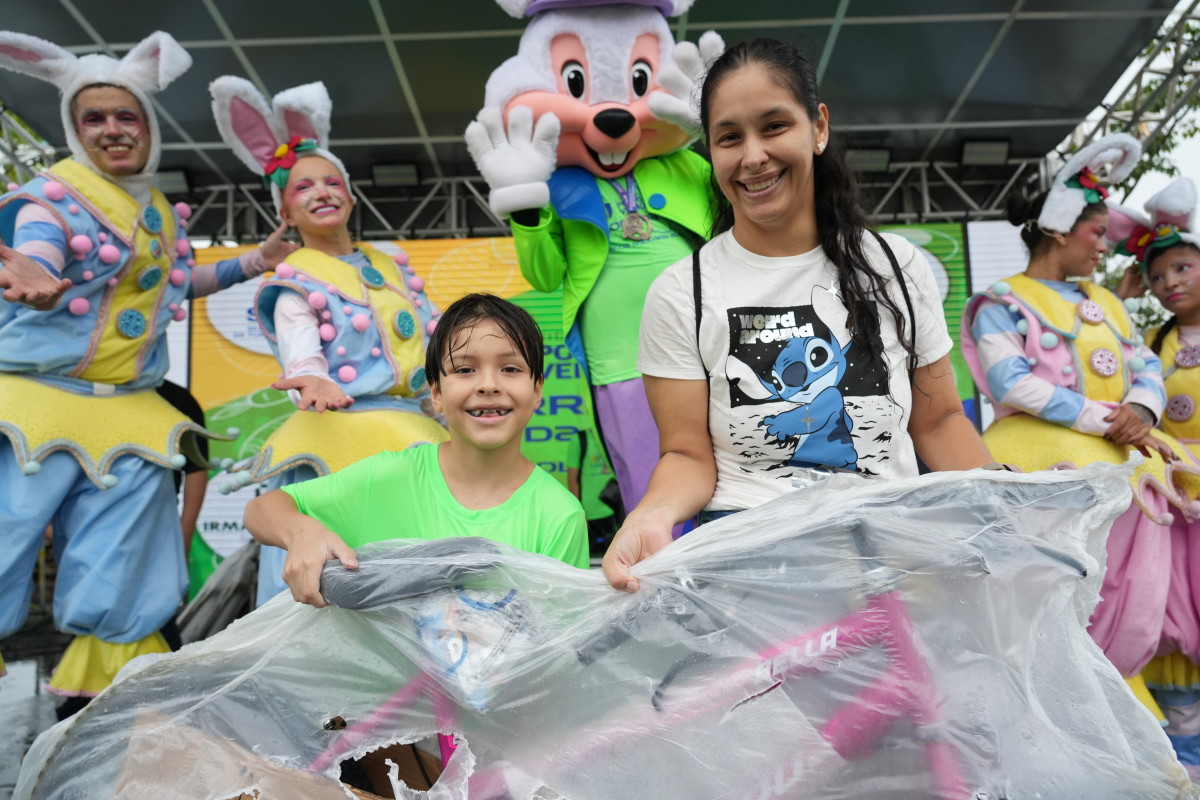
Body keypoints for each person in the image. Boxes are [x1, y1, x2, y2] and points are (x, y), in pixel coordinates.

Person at [601, 38, 993, 593]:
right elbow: (686, 454)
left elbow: (939, 422)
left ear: (818, 128)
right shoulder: (681, 293)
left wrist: (1004, 495)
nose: (752, 156)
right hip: (751, 573)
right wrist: (650, 516)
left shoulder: (897, 266)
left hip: (891, 561)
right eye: (729, 137)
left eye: (774, 126)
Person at [0, 31, 294, 703]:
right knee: (5, 535)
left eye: (125, 115)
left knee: (123, 568)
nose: (112, 130)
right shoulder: (53, 198)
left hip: (128, 413)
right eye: (93, 118)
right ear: (74, 130)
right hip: (37, 401)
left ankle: (105, 710)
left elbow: (178, 283)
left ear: (148, 126)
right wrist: (37, 272)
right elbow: (41, 249)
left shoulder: (156, 211)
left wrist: (257, 261)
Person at [960, 137, 1200, 724]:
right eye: (1097, 233)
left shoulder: (1109, 304)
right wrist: (1109, 420)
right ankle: (1058, 701)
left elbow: (1145, 367)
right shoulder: (999, 302)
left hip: (1129, 471)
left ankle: (1127, 686)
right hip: (1044, 469)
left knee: (1134, 591)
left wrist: (1141, 410)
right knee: (1054, 588)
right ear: (1059, 228)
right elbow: (1011, 382)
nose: (1104, 247)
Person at [465, 2, 722, 532]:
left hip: (710, 339)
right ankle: (668, 574)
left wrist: (721, 129)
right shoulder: (556, 185)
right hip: (620, 356)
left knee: (736, 460)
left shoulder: (690, 165)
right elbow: (544, 274)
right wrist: (526, 209)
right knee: (649, 475)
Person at [209, 77, 450, 605]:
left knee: (417, 569)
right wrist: (311, 377)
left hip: (413, 435)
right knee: (335, 570)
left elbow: (436, 340)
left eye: (331, 181)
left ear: (350, 195)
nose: (321, 192)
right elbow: (299, 343)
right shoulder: (295, 280)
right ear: (284, 213)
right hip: (335, 437)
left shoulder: (390, 264)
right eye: (303, 187)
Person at [243, 292, 589, 606]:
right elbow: (262, 509)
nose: (488, 385)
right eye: (465, 369)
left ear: (537, 390)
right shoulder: (388, 478)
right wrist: (301, 533)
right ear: (436, 392)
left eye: (510, 369)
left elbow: (557, 640)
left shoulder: (559, 516)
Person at [1108, 176, 1200, 776]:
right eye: (1158, 275)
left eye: (1182, 268)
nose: (1170, 284)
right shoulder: (1147, 343)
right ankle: (1186, 752)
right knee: (1174, 614)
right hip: (1171, 497)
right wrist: (1121, 293)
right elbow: (1110, 357)